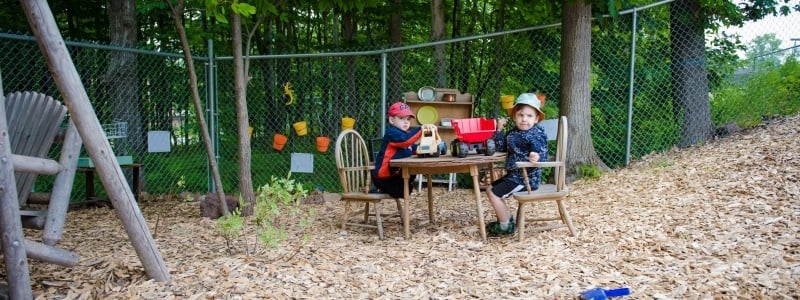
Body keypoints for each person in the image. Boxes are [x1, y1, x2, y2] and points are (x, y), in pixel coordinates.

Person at [485, 93, 549, 235]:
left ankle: (505, 226)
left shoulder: (536, 134)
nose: (524, 119)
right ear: (514, 116)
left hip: (526, 179)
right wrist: (499, 130)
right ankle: (507, 219)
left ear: (537, 118)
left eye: (529, 116)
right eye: (520, 115)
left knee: (495, 194)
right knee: (490, 189)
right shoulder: (513, 133)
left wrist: (536, 156)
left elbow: (542, 153)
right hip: (514, 176)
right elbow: (501, 147)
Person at [372, 101, 438, 198]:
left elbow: (413, 148)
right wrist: (421, 129)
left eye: (408, 119)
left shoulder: (405, 134)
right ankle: (378, 188)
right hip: (384, 178)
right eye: (401, 118)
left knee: (410, 177)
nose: (406, 121)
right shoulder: (391, 133)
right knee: (404, 190)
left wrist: (430, 147)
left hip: (395, 176)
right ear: (391, 120)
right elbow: (405, 141)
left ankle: (401, 188)